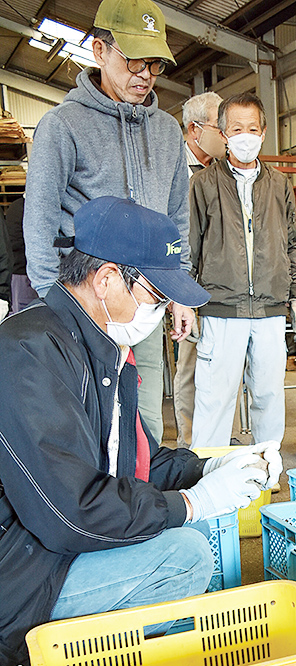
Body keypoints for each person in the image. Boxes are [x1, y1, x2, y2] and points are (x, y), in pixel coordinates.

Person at [0, 196, 276, 666]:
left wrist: (213, 468)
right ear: (106, 279)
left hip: (47, 552)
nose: (164, 311)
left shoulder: (101, 349)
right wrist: (191, 506)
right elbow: (69, 512)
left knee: (180, 546)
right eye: (155, 294)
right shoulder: (28, 351)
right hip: (20, 571)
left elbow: (140, 464)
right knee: (183, 557)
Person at [22, 0, 192, 444]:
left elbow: (177, 218)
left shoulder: (168, 131)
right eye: (134, 60)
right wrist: (52, 301)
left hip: (146, 304)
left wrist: (179, 293)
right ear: (99, 51)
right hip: (86, 307)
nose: (145, 75)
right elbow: (38, 220)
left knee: (144, 427)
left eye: (154, 64)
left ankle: (146, 507)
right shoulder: (62, 126)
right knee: (84, 426)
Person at [189, 92, 296, 448]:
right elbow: (189, 247)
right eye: (236, 128)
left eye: (252, 128)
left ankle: (266, 475)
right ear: (223, 134)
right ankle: (208, 480)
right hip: (222, 310)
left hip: (271, 310)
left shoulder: (279, 185)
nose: (245, 136)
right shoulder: (204, 185)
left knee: (269, 399)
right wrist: (187, 303)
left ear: (264, 132)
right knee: (215, 401)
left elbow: (293, 242)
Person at [173, 91, 224, 449]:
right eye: (220, 127)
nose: (227, 135)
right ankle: (190, 445)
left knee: (225, 371)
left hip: (224, 288)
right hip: (188, 285)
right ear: (195, 130)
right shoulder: (173, 169)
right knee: (190, 367)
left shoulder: (226, 171)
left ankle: (222, 444)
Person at [5, 195, 35, 313]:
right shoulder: (25, 208)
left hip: (17, 272)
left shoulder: (15, 206)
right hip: (24, 273)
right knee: (27, 312)